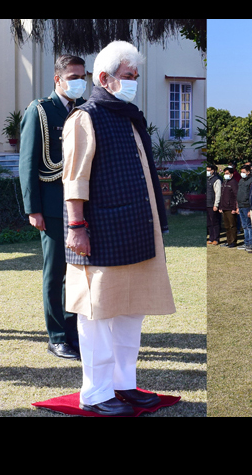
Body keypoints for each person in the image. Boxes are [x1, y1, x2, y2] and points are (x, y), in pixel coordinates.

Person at [61, 40, 175, 416]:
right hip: (100, 231)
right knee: (97, 314)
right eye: (128, 75)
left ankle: (123, 383)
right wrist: (76, 227)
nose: (133, 82)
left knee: (131, 311)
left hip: (135, 230)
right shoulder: (85, 117)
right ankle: (95, 393)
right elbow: (74, 180)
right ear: (104, 78)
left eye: (136, 76)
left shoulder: (127, 116)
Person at [19, 54, 86, 359]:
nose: (79, 82)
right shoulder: (40, 110)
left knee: (77, 273)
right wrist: (32, 209)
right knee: (55, 272)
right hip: (52, 205)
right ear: (58, 79)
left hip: (81, 205)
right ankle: (57, 336)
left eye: (82, 76)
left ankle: (73, 332)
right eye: (73, 77)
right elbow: (28, 162)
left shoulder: (83, 109)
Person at [236, 162, 252, 252]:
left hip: (247, 206)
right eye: (241, 172)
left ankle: (251, 243)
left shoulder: (251, 181)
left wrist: (251, 209)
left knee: (249, 226)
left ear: (248, 172)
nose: (242, 173)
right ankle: (246, 242)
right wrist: (237, 206)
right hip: (241, 205)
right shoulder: (241, 180)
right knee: (244, 226)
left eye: (244, 172)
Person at [220, 166, 239, 248]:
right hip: (224, 207)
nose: (226, 175)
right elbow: (222, 195)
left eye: (227, 173)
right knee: (227, 226)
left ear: (231, 174)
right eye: (225, 173)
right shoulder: (224, 183)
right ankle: (228, 241)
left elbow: (236, 196)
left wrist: (235, 208)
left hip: (231, 208)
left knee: (232, 225)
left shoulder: (233, 183)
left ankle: (233, 241)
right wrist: (220, 206)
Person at [205, 163, 221, 245]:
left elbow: (218, 193)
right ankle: (211, 238)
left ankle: (216, 238)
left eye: (209, 170)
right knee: (209, 223)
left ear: (213, 171)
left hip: (212, 204)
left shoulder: (216, 180)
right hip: (207, 204)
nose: (207, 172)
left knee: (215, 222)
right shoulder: (207, 179)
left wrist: (216, 204)